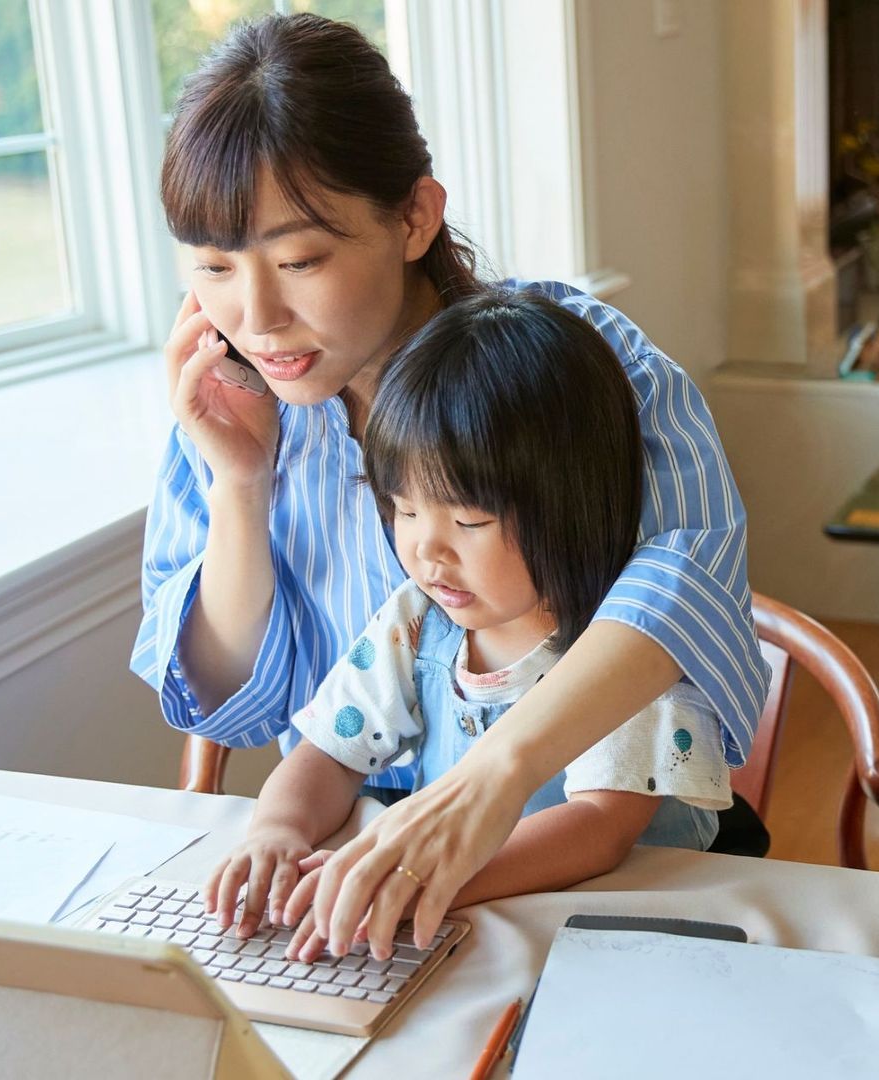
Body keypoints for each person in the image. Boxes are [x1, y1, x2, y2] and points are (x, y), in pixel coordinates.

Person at [132, 13, 764, 952]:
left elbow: (684, 581)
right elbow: (232, 704)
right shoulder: (234, 408)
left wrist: (488, 783)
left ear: (415, 217)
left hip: (575, 883)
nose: (257, 316)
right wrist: (239, 486)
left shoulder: (569, 361)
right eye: (214, 268)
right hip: (351, 889)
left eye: (300, 259)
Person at [203, 288, 731, 960]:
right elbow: (328, 754)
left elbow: (601, 829)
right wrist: (276, 831)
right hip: (479, 929)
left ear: (572, 505)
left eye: (469, 521)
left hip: (631, 938)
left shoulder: (624, 646)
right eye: (404, 509)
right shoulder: (419, 623)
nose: (427, 550)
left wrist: (432, 877)